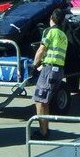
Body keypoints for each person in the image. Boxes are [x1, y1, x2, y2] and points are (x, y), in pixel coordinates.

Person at [31, 8, 68, 140]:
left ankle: (43, 132)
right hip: (59, 70)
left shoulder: (49, 31)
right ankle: (45, 129)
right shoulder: (63, 35)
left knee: (39, 101)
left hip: (49, 69)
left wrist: (34, 65)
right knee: (45, 101)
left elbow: (42, 49)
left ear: (51, 18)